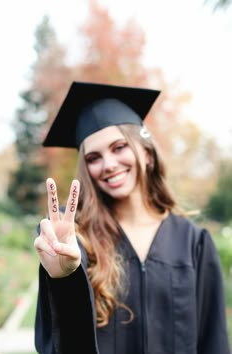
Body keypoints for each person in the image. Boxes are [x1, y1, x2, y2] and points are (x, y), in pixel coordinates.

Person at [34, 81, 231, 354]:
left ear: (147, 154)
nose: (109, 165)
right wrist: (65, 280)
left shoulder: (193, 243)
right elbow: (62, 347)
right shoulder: (78, 241)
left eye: (119, 147)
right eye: (93, 157)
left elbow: (214, 342)